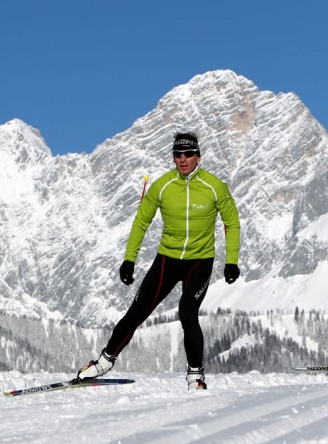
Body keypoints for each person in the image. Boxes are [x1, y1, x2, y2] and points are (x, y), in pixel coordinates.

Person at [77, 132, 241, 389]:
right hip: (168, 259)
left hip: (200, 260)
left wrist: (231, 261)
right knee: (138, 311)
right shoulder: (163, 185)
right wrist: (129, 260)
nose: (183, 160)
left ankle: (195, 375)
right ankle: (105, 361)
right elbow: (142, 221)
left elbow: (231, 223)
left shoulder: (214, 186)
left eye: (188, 154)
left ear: (198, 156)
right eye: (177, 155)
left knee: (187, 313)